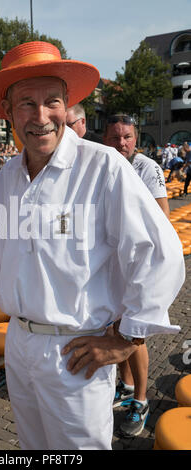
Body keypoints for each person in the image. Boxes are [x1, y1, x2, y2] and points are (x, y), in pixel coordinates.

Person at [0, 41, 185, 450]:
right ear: (8, 112)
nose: (41, 117)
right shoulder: (6, 177)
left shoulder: (103, 167)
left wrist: (128, 338)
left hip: (77, 351)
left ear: (67, 105)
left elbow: (161, 251)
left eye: (51, 101)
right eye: (26, 104)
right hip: (19, 343)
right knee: (33, 446)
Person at [103, 114, 170, 437]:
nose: (121, 143)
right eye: (115, 137)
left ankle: (140, 401)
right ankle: (126, 386)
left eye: (127, 137)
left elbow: (163, 221)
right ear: (106, 140)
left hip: (137, 267)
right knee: (116, 329)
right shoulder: (103, 164)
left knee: (135, 335)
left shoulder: (147, 169)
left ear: (136, 138)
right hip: (110, 266)